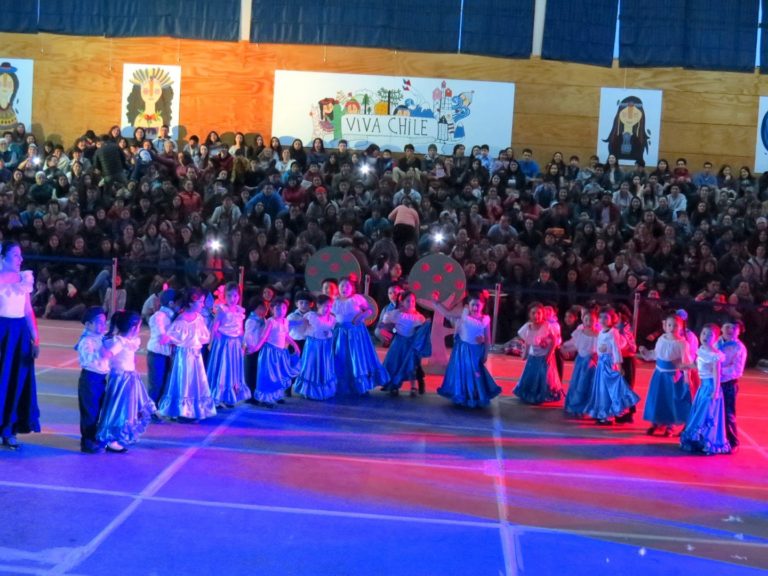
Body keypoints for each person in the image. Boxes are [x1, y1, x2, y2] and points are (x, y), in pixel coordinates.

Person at [96, 311, 156, 453]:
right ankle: (113, 438)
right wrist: (102, 347)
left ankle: (118, 436)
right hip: (121, 379)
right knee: (120, 409)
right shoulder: (119, 342)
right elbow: (108, 354)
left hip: (130, 377)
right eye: (139, 326)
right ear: (134, 328)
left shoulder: (130, 342)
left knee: (128, 409)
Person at [0, 241, 40, 449]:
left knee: (16, 381)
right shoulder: (5, 278)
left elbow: (27, 311)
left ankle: (9, 429)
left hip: (19, 336)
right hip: (1, 334)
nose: (20, 259)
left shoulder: (24, 279)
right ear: (3, 256)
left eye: (20, 255)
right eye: (15, 255)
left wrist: (36, 337)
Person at [158, 288, 217, 422]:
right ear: (191, 303)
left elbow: (204, 337)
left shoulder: (200, 318)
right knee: (184, 381)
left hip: (196, 355)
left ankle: (195, 409)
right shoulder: (181, 319)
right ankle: (182, 411)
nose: (202, 304)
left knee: (196, 381)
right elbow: (171, 337)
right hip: (184, 356)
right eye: (200, 302)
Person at [434, 291, 501, 408]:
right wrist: (436, 302)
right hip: (462, 350)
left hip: (475, 351)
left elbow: (487, 338)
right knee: (462, 373)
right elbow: (446, 312)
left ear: (483, 305)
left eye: (478, 305)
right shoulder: (464, 315)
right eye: (473, 305)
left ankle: (474, 395)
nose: (475, 307)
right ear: (468, 305)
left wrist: (485, 353)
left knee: (475, 373)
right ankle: (461, 395)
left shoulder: (485, 319)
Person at [583, 307, 640, 425]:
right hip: (601, 364)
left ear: (612, 319)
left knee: (610, 390)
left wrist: (618, 366)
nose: (602, 320)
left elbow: (616, 350)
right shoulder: (601, 332)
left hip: (609, 363)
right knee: (602, 390)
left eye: (606, 317)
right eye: (601, 317)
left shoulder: (613, 332)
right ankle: (603, 413)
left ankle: (609, 416)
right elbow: (599, 347)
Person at [332, 277, 389, 395]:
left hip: (356, 333)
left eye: (347, 286)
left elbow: (369, 310)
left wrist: (361, 316)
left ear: (352, 288)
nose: (344, 288)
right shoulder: (334, 300)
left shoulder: (357, 299)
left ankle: (361, 384)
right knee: (340, 357)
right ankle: (341, 385)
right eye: (342, 286)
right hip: (340, 334)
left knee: (357, 358)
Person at [680, 324, 731, 455]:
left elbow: (716, 374)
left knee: (706, 414)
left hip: (711, 388)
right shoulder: (701, 349)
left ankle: (707, 442)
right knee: (698, 413)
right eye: (704, 333)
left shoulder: (715, 355)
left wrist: (715, 391)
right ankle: (696, 440)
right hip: (703, 387)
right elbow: (696, 364)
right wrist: (683, 366)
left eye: (710, 335)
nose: (705, 337)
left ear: (715, 338)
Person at [639, 314, 692, 437]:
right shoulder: (661, 339)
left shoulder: (682, 343)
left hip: (672, 376)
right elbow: (656, 354)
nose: (672, 327)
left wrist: (685, 377)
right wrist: (645, 352)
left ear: (680, 327)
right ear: (665, 326)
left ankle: (670, 425)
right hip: (659, 375)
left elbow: (685, 362)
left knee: (670, 400)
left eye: (675, 325)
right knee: (658, 398)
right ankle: (656, 422)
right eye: (669, 325)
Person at [207, 282, 251, 408]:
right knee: (223, 369)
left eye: (235, 296)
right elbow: (215, 327)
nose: (233, 299)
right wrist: (212, 342)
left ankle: (230, 395)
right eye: (230, 295)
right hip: (223, 344)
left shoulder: (239, 311)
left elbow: (241, 329)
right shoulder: (222, 310)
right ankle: (218, 395)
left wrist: (243, 343)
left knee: (233, 370)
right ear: (224, 296)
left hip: (235, 344)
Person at [252, 297, 300, 407]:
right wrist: (257, 347)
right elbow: (264, 336)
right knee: (269, 376)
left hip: (280, 353)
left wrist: (295, 345)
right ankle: (265, 399)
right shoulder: (271, 321)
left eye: (283, 308)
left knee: (278, 375)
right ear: (272, 309)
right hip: (269, 353)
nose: (281, 311)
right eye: (278, 308)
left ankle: (276, 395)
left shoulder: (285, 321)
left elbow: (286, 335)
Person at [381, 291, 431, 396]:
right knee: (396, 364)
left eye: (413, 301)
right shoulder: (397, 314)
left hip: (411, 345)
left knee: (411, 365)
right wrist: (391, 330)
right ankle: (394, 385)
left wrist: (425, 325)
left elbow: (420, 331)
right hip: (398, 343)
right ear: (402, 302)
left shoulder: (418, 316)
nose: (411, 303)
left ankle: (414, 387)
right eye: (408, 301)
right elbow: (384, 322)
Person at [75, 307, 110, 453]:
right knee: (90, 411)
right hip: (90, 378)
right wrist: (103, 354)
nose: (103, 326)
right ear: (88, 324)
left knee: (99, 409)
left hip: (101, 378)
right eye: (99, 323)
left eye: (104, 322)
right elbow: (89, 359)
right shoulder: (86, 341)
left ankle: (94, 436)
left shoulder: (101, 337)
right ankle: (87, 441)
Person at [514, 303, 563, 404]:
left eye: (539, 313)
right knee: (531, 374)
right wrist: (525, 353)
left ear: (543, 314)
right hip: (533, 355)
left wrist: (549, 355)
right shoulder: (527, 327)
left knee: (543, 376)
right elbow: (527, 341)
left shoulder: (547, 326)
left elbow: (554, 340)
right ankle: (529, 393)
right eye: (533, 313)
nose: (536, 315)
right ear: (529, 315)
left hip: (544, 356)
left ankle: (543, 395)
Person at [293, 295, 337, 400]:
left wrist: (329, 333)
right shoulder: (311, 316)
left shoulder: (332, 318)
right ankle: (307, 390)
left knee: (324, 366)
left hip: (325, 346)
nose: (328, 309)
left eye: (330, 306)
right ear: (318, 305)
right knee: (311, 366)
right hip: (313, 345)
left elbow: (331, 330)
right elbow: (301, 326)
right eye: (325, 306)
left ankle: (324, 390)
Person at [561, 307, 599, 416]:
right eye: (586, 320)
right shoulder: (579, 333)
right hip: (580, 362)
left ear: (596, 321)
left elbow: (598, 351)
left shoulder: (597, 335)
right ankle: (575, 406)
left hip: (591, 363)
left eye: (591, 320)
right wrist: (564, 348)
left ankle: (585, 407)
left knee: (586, 385)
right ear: (583, 320)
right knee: (577, 383)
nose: (589, 322)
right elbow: (576, 346)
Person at [717, 321, 747, 453]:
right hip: (714, 382)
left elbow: (737, 369)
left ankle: (733, 441)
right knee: (713, 412)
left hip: (728, 383)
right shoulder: (715, 342)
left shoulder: (739, 348)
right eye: (727, 326)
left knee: (728, 413)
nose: (730, 330)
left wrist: (718, 369)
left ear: (739, 331)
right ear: (721, 328)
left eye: (734, 328)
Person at [146, 289, 176, 405]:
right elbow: (163, 339)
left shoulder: (171, 316)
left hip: (166, 354)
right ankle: (151, 410)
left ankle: (159, 408)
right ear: (171, 303)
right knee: (156, 384)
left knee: (164, 382)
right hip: (156, 354)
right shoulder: (158, 317)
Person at [244, 298, 268, 402]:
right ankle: (249, 396)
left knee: (258, 372)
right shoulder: (251, 320)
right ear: (254, 309)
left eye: (264, 309)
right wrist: (250, 347)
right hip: (252, 348)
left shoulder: (263, 320)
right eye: (260, 308)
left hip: (260, 348)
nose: (262, 311)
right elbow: (248, 335)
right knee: (250, 372)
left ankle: (256, 394)